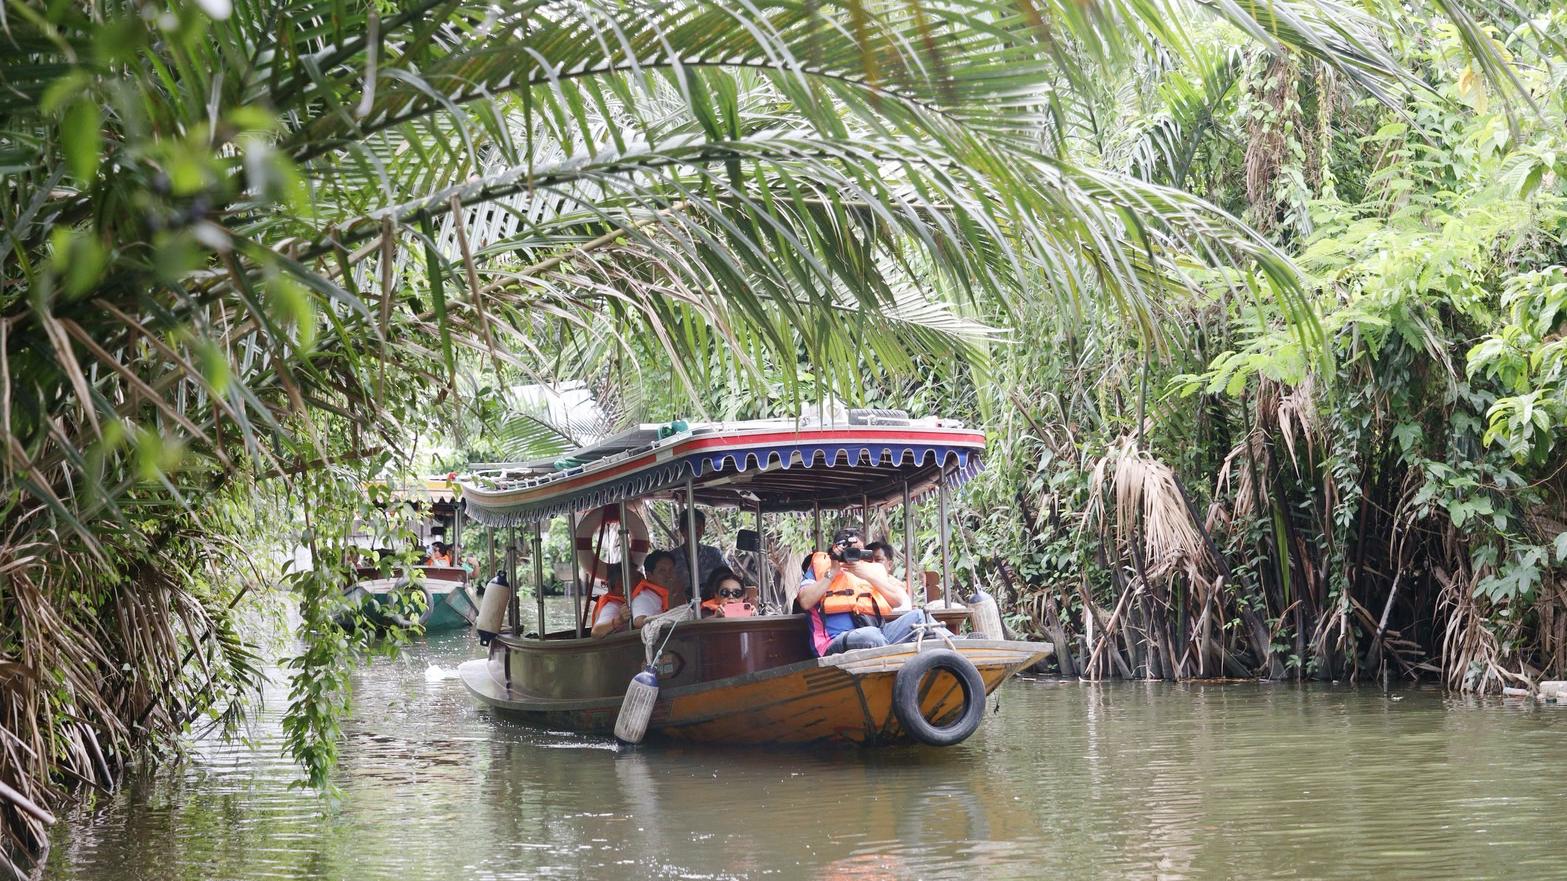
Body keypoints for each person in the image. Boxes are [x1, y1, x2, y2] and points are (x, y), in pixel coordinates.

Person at [797, 527, 948, 656]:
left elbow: (897, 600)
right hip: (833, 642)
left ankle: (961, 646)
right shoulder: (819, 569)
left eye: (859, 551)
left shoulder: (869, 569)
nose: (853, 554)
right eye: (848, 550)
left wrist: (867, 575)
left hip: (877, 634)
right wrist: (833, 570)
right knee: (871, 636)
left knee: (920, 616)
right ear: (835, 548)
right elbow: (805, 601)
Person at [667, 508, 727, 594]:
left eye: (698, 527)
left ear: (703, 530)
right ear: (682, 530)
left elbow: (728, 578)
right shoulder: (672, 558)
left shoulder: (714, 554)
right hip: (681, 604)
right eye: (690, 527)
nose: (695, 530)